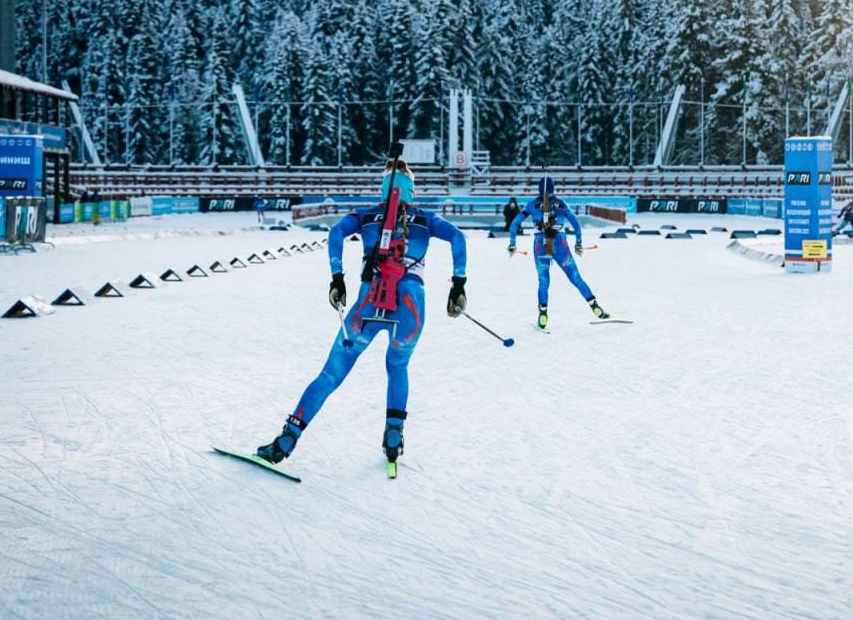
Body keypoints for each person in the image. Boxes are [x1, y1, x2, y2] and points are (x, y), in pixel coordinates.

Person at [255, 156, 468, 472]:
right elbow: (458, 237)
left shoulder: (368, 215)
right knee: (397, 367)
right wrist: (458, 284)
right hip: (411, 308)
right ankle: (393, 438)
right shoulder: (425, 218)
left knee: (331, 374)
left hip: (369, 302)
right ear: (412, 189)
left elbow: (336, 233)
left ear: (384, 189)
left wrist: (337, 277)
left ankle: (288, 438)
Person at [508, 176, 608, 330]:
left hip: (540, 245)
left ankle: (543, 315)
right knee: (576, 278)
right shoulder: (561, 204)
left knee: (543, 281)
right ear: (553, 188)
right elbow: (576, 224)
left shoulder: (531, 205)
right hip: (560, 243)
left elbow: (514, 224)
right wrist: (579, 243)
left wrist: (513, 243)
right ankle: (595, 306)